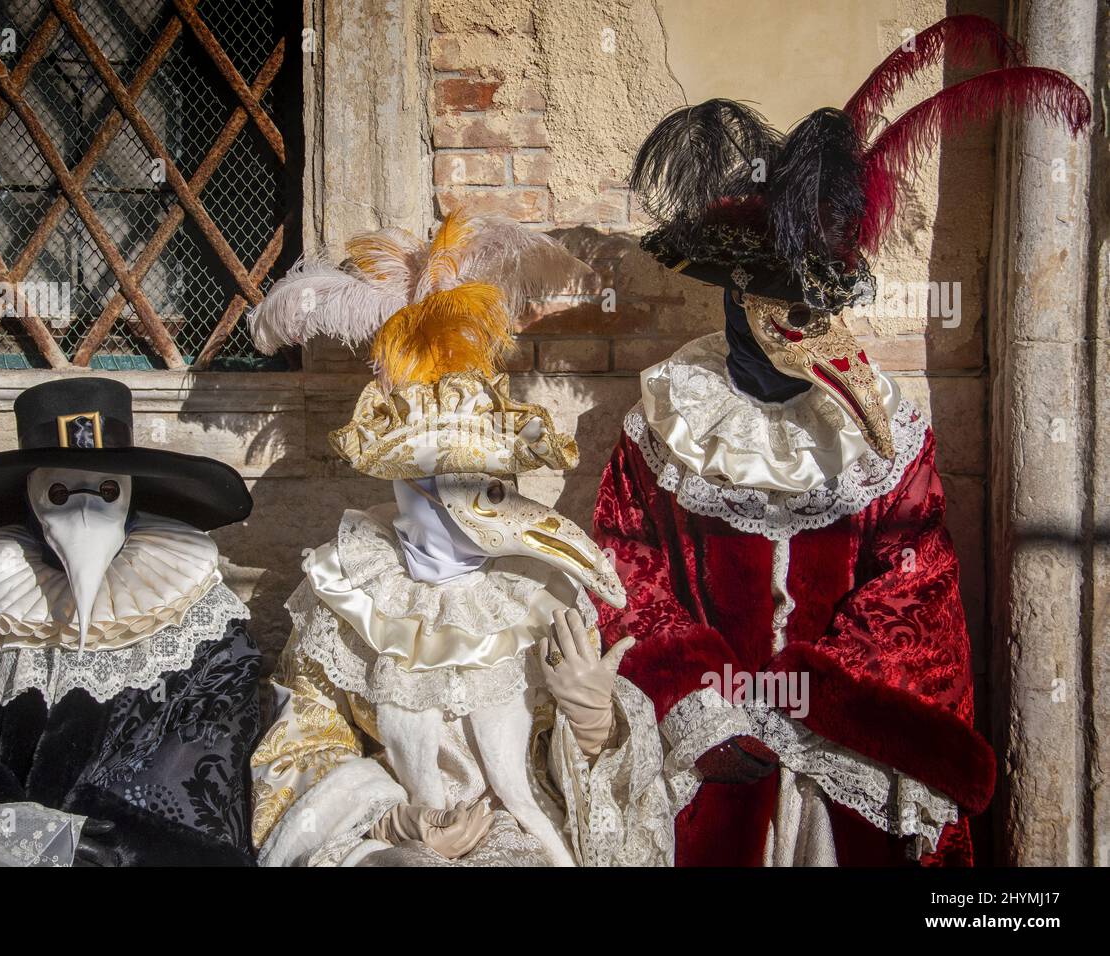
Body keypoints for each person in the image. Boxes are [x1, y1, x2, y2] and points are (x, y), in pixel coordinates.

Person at [593, 14, 1090, 865]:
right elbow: (626, 576)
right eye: (790, 307)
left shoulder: (883, 435)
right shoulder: (665, 427)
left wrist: (808, 705)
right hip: (708, 761)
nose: (814, 332)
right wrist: (714, 707)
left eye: (826, 308)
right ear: (734, 297)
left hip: (849, 758)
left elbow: (914, 588)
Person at [244, 209, 673, 865]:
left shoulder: (543, 595)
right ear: (403, 482)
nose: (474, 505)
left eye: (491, 482)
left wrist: (594, 722)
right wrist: (394, 823)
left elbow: (589, 773)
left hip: (525, 840)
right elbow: (303, 744)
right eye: (449, 483)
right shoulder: (345, 593)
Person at [0, 378, 261, 866]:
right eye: (59, 491)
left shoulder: (201, 624)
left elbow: (207, 741)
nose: (84, 512)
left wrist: (99, 843)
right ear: (31, 497)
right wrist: (9, 828)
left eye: (106, 490)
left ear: (131, 494)